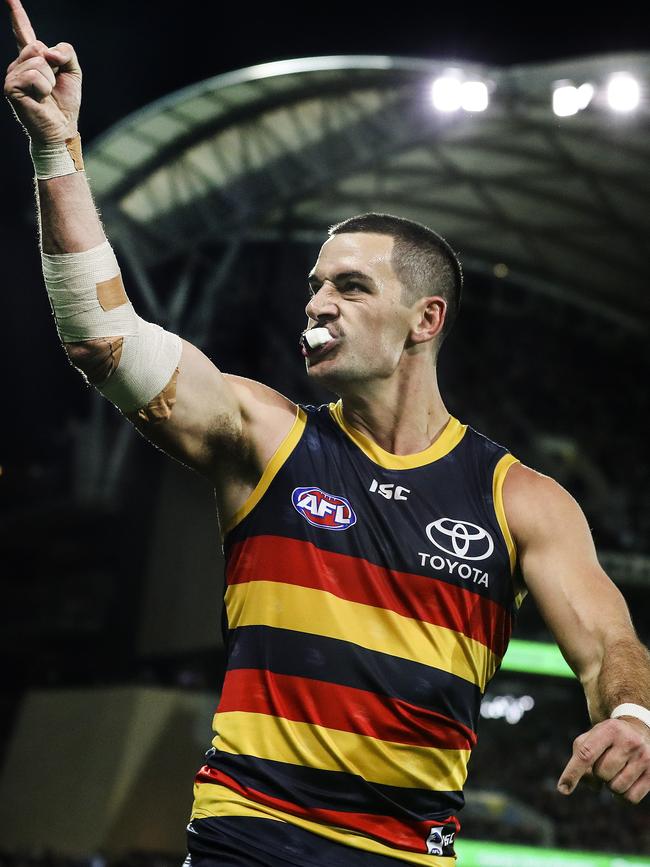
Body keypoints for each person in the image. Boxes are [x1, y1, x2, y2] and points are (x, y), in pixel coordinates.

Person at [4, 2, 650, 864]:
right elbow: (101, 336)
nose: (316, 303)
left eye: (349, 287)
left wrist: (634, 716)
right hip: (250, 840)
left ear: (425, 319)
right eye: (314, 284)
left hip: (408, 852)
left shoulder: (522, 499)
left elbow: (611, 645)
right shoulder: (265, 436)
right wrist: (56, 145)